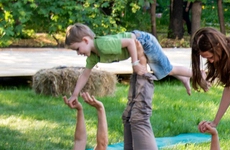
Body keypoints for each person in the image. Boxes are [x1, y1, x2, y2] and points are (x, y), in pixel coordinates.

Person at [17, 72, 162, 150]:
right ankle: (143, 70)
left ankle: (138, 70)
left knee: (128, 118)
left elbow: (79, 140)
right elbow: (102, 145)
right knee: (139, 119)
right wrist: (100, 110)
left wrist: (80, 111)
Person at [65, 23, 198, 100]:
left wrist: (135, 64)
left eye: (77, 49)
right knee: (162, 70)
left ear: (86, 40)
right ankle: (184, 78)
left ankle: (198, 74)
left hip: (144, 41)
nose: (78, 53)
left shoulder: (102, 45)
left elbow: (130, 42)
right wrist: (75, 95)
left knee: (168, 69)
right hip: (138, 43)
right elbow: (85, 75)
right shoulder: (93, 56)